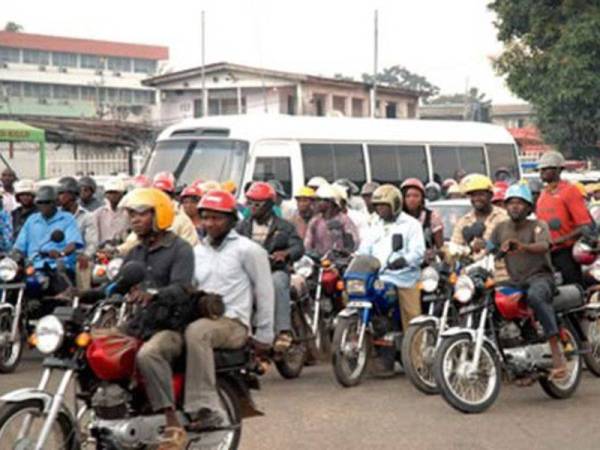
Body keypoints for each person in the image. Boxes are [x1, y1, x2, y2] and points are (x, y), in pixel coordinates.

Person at [188, 189, 274, 432]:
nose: (209, 223)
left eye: (217, 218)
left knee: (197, 333)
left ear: (232, 220)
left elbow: (265, 291)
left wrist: (265, 336)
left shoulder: (248, 250)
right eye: (205, 217)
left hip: (233, 323)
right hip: (203, 318)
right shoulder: (197, 252)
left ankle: (205, 407)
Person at [124, 188, 195, 450]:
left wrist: (153, 295)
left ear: (159, 215)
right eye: (131, 214)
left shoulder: (180, 249)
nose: (134, 219)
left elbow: (181, 287)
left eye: (141, 213)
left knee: (148, 355)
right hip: (138, 324)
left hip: (170, 327)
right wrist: (85, 292)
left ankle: (172, 421)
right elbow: (118, 284)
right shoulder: (135, 252)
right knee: (97, 347)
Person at [489, 183, 567, 380]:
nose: (515, 206)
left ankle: (557, 356)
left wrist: (522, 246)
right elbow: (490, 247)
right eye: (511, 203)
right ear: (505, 207)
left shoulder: (538, 225)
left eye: (520, 203)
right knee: (489, 299)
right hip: (515, 280)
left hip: (541, 277)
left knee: (536, 296)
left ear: (528, 208)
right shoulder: (500, 228)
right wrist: (480, 246)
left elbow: (544, 245)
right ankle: (508, 351)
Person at [236, 181, 303, 351]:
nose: (253, 207)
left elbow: (298, 247)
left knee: (277, 283)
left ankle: (283, 332)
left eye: (257, 203)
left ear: (270, 204)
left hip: (275, 270)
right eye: (250, 202)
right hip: (249, 274)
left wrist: (285, 254)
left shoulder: (284, 226)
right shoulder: (241, 227)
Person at [359, 184, 425, 333]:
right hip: (378, 277)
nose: (379, 209)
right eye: (377, 206)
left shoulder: (411, 225)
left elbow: (418, 252)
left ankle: (416, 354)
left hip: (403, 278)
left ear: (395, 204)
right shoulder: (374, 224)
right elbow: (364, 249)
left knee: (412, 319)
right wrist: (356, 259)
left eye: (384, 205)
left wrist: (404, 260)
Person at [536, 151, 592, 285]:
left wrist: (560, 239)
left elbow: (584, 226)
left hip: (565, 252)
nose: (542, 172)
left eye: (546, 169)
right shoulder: (543, 194)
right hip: (546, 253)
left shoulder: (570, 191)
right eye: (541, 169)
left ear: (558, 170)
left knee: (572, 289)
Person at [13, 186, 83, 292]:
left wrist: (61, 254)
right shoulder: (32, 220)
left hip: (58, 267)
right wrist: (12, 256)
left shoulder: (67, 218)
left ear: (55, 202)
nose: (43, 206)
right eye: (40, 203)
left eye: (47, 202)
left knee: (64, 293)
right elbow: (19, 246)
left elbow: (73, 243)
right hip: (34, 267)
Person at [118, 172, 199, 254]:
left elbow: (189, 248)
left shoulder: (182, 220)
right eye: (157, 193)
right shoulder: (148, 217)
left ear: (171, 195)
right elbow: (133, 241)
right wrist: (117, 250)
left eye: (164, 193)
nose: (160, 197)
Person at [57, 177, 99, 290]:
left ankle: (82, 297)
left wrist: (86, 255)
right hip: (58, 255)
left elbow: (92, 243)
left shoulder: (87, 216)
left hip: (77, 256)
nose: (59, 196)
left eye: (62, 193)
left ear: (72, 195)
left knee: (83, 266)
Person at [451, 174, 508, 254]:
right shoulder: (463, 221)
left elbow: (510, 246)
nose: (476, 198)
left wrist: (488, 245)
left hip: (499, 264)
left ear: (490, 195)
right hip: (470, 265)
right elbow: (455, 248)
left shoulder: (503, 217)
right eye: (473, 195)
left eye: (481, 194)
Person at [304, 183, 359, 256]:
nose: (315, 203)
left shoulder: (344, 220)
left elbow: (353, 244)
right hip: (319, 262)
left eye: (319, 200)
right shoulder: (315, 222)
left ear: (330, 202)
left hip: (340, 262)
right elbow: (307, 245)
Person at [400, 178, 444, 258]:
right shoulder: (398, 218)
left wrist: (433, 253)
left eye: (416, 196)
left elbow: (441, 248)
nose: (412, 199)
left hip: (426, 264)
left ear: (422, 198)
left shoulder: (432, 217)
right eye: (408, 196)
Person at [93, 178, 129, 243]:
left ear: (122, 194)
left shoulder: (129, 213)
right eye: (109, 192)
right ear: (105, 195)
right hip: (103, 250)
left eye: (115, 193)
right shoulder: (98, 214)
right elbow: (94, 237)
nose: (112, 196)